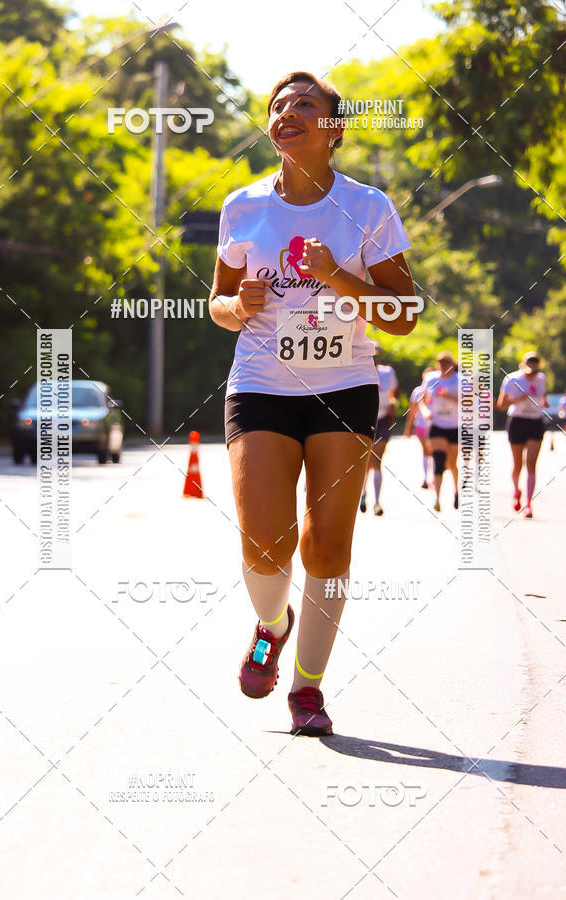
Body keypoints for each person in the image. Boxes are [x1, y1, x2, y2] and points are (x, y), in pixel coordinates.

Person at [208, 70, 417, 736]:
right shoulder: (243, 206)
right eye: (278, 105)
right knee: (264, 543)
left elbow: (404, 315)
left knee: (327, 547)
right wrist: (237, 305)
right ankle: (273, 624)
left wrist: (337, 277)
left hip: (343, 386)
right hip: (261, 385)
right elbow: (218, 305)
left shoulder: (368, 207)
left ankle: (307, 689)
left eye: (305, 103)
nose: (288, 111)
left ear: (334, 129)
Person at [497, 351, 548, 518]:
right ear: (522, 366)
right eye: (529, 372)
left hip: (535, 422)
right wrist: (518, 399)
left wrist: (544, 402)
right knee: (518, 464)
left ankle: (528, 503)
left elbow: (542, 396)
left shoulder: (542, 378)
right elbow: (501, 404)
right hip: (517, 422)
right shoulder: (512, 379)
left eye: (535, 371)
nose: (532, 375)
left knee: (531, 464)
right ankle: (516, 490)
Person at [359, 343, 398, 515]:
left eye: (376, 357)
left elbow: (393, 394)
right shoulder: (359, 371)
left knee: (376, 460)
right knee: (364, 462)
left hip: (382, 420)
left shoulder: (388, 373)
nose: (374, 360)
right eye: (371, 356)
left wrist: (392, 404)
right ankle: (362, 495)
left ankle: (377, 502)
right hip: (363, 420)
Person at [423, 352, 460, 512]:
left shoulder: (460, 380)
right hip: (436, 424)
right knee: (438, 460)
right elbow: (422, 399)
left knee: (451, 463)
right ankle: (437, 498)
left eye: (447, 362)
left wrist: (449, 396)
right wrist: (425, 411)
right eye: (441, 362)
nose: (444, 366)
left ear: (452, 364)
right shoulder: (430, 378)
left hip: (454, 426)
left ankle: (457, 492)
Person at [404, 367, 434, 488]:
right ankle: (425, 478)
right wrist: (408, 428)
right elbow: (412, 411)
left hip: (433, 424)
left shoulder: (435, 389)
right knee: (425, 450)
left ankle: (433, 477)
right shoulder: (417, 391)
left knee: (432, 450)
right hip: (420, 424)